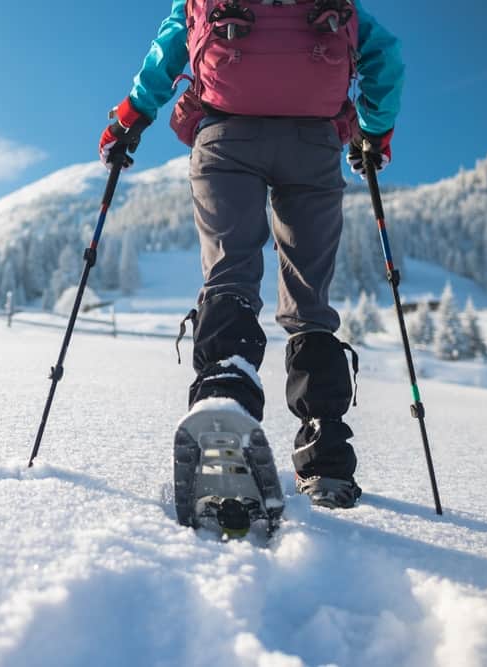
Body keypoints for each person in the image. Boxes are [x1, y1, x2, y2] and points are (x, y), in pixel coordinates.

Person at [98, 0, 404, 509]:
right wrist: (373, 131)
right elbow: (384, 56)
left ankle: (225, 400)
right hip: (313, 142)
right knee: (309, 300)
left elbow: (172, 44)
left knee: (230, 275)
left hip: (226, 134)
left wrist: (132, 114)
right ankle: (325, 454)